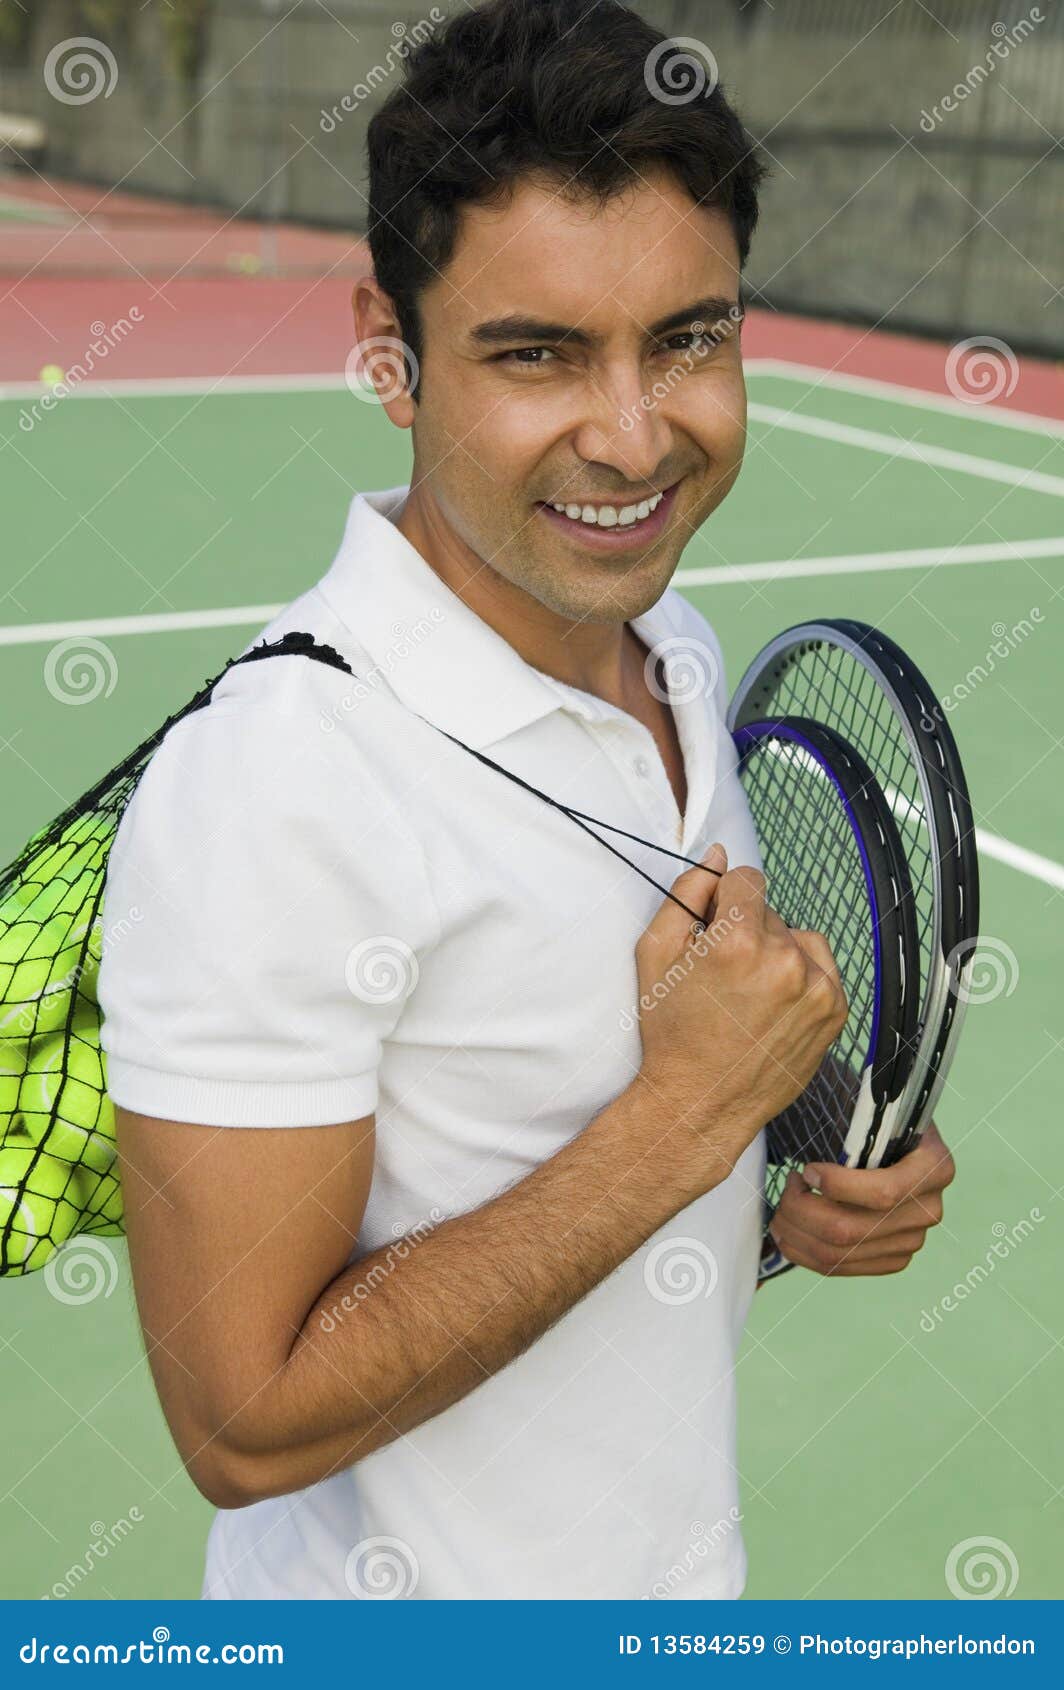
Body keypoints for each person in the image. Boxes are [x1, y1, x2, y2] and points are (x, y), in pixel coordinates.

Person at [99, 0, 954, 1601]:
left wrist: (795, 1164)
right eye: (536, 352)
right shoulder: (276, 782)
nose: (633, 437)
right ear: (390, 348)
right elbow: (243, 1421)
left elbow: (577, 1124)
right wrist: (684, 1118)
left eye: (688, 338)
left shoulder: (677, 651)